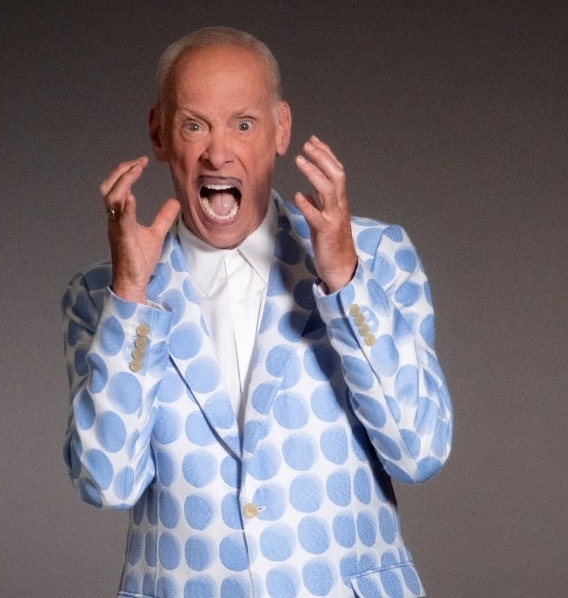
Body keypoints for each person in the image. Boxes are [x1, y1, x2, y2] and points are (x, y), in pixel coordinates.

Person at [62, 26, 452, 598]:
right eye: (194, 125)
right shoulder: (102, 296)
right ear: (159, 132)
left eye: (243, 124)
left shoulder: (374, 256)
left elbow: (419, 451)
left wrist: (345, 283)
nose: (218, 152)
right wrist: (131, 298)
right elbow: (107, 482)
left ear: (280, 129)